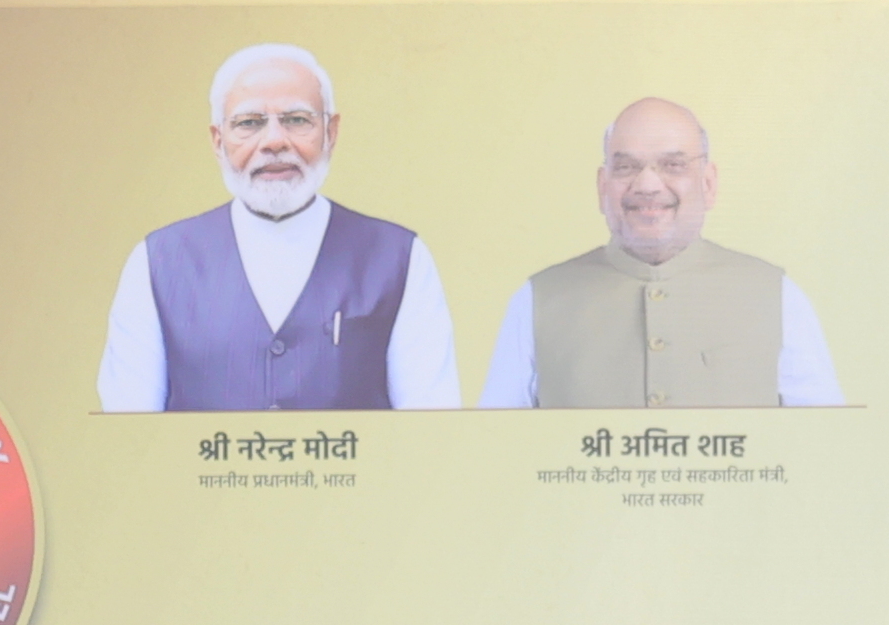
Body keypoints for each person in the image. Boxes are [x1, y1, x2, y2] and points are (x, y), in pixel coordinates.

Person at [97, 42, 461, 413]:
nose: (274, 141)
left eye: (297, 120)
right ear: (218, 141)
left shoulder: (398, 257)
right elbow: (129, 438)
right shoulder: (158, 262)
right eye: (249, 123)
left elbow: (430, 437)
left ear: (330, 132)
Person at [474, 97, 844, 408]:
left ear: (709, 184)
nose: (647, 184)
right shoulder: (538, 300)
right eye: (626, 167)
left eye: (673, 165)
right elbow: (495, 453)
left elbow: (822, 452)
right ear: (603, 187)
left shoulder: (776, 296)